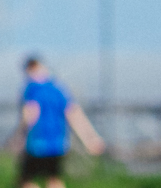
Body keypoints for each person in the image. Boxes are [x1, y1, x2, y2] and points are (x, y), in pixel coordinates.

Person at [16, 55, 104, 188]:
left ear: (29, 69)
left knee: (26, 181)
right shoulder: (58, 88)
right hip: (58, 144)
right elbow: (74, 114)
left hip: (36, 143)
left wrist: (18, 136)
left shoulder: (32, 89)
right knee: (54, 180)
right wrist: (90, 138)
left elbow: (31, 114)